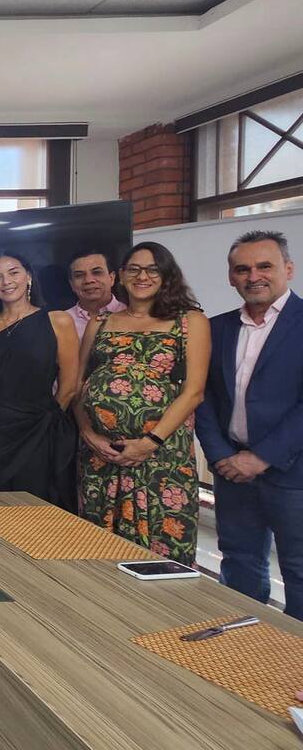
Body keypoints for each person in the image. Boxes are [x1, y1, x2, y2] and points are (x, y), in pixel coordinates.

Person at [75, 242, 208, 564]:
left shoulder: (190, 321)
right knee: (100, 548)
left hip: (161, 459)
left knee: (161, 549)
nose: (142, 276)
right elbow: (78, 387)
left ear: (166, 275)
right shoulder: (100, 322)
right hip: (102, 457)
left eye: (152, 269)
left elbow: (194, 391)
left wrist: (149, 442)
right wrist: (90, 435)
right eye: (133, 269)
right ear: (121, 275)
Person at [196, 230, 303, 618]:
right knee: (239, 562)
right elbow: (203, 398)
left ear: (287, 270)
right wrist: (221, 456)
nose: (253, 276)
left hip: (293, 473)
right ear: (231, 277)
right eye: (242, 269)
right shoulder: (217, 327)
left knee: (297, 569)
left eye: (264, 266)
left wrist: (260, 458)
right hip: (231, 471)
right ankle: (245, 653)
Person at [0, 252, 79, 509]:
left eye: (13, 272)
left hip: (38, 431)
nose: (6, 281)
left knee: (36, 511)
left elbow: (70, 385)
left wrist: (44, 421)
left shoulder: (58, 320)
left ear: (28, 276)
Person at [63, 248, 125, 338]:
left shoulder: (130, 313)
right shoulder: (62, 322)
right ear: (72, 284)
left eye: (96, 272)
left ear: (112, 278)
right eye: (79, 275)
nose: (88, 280)